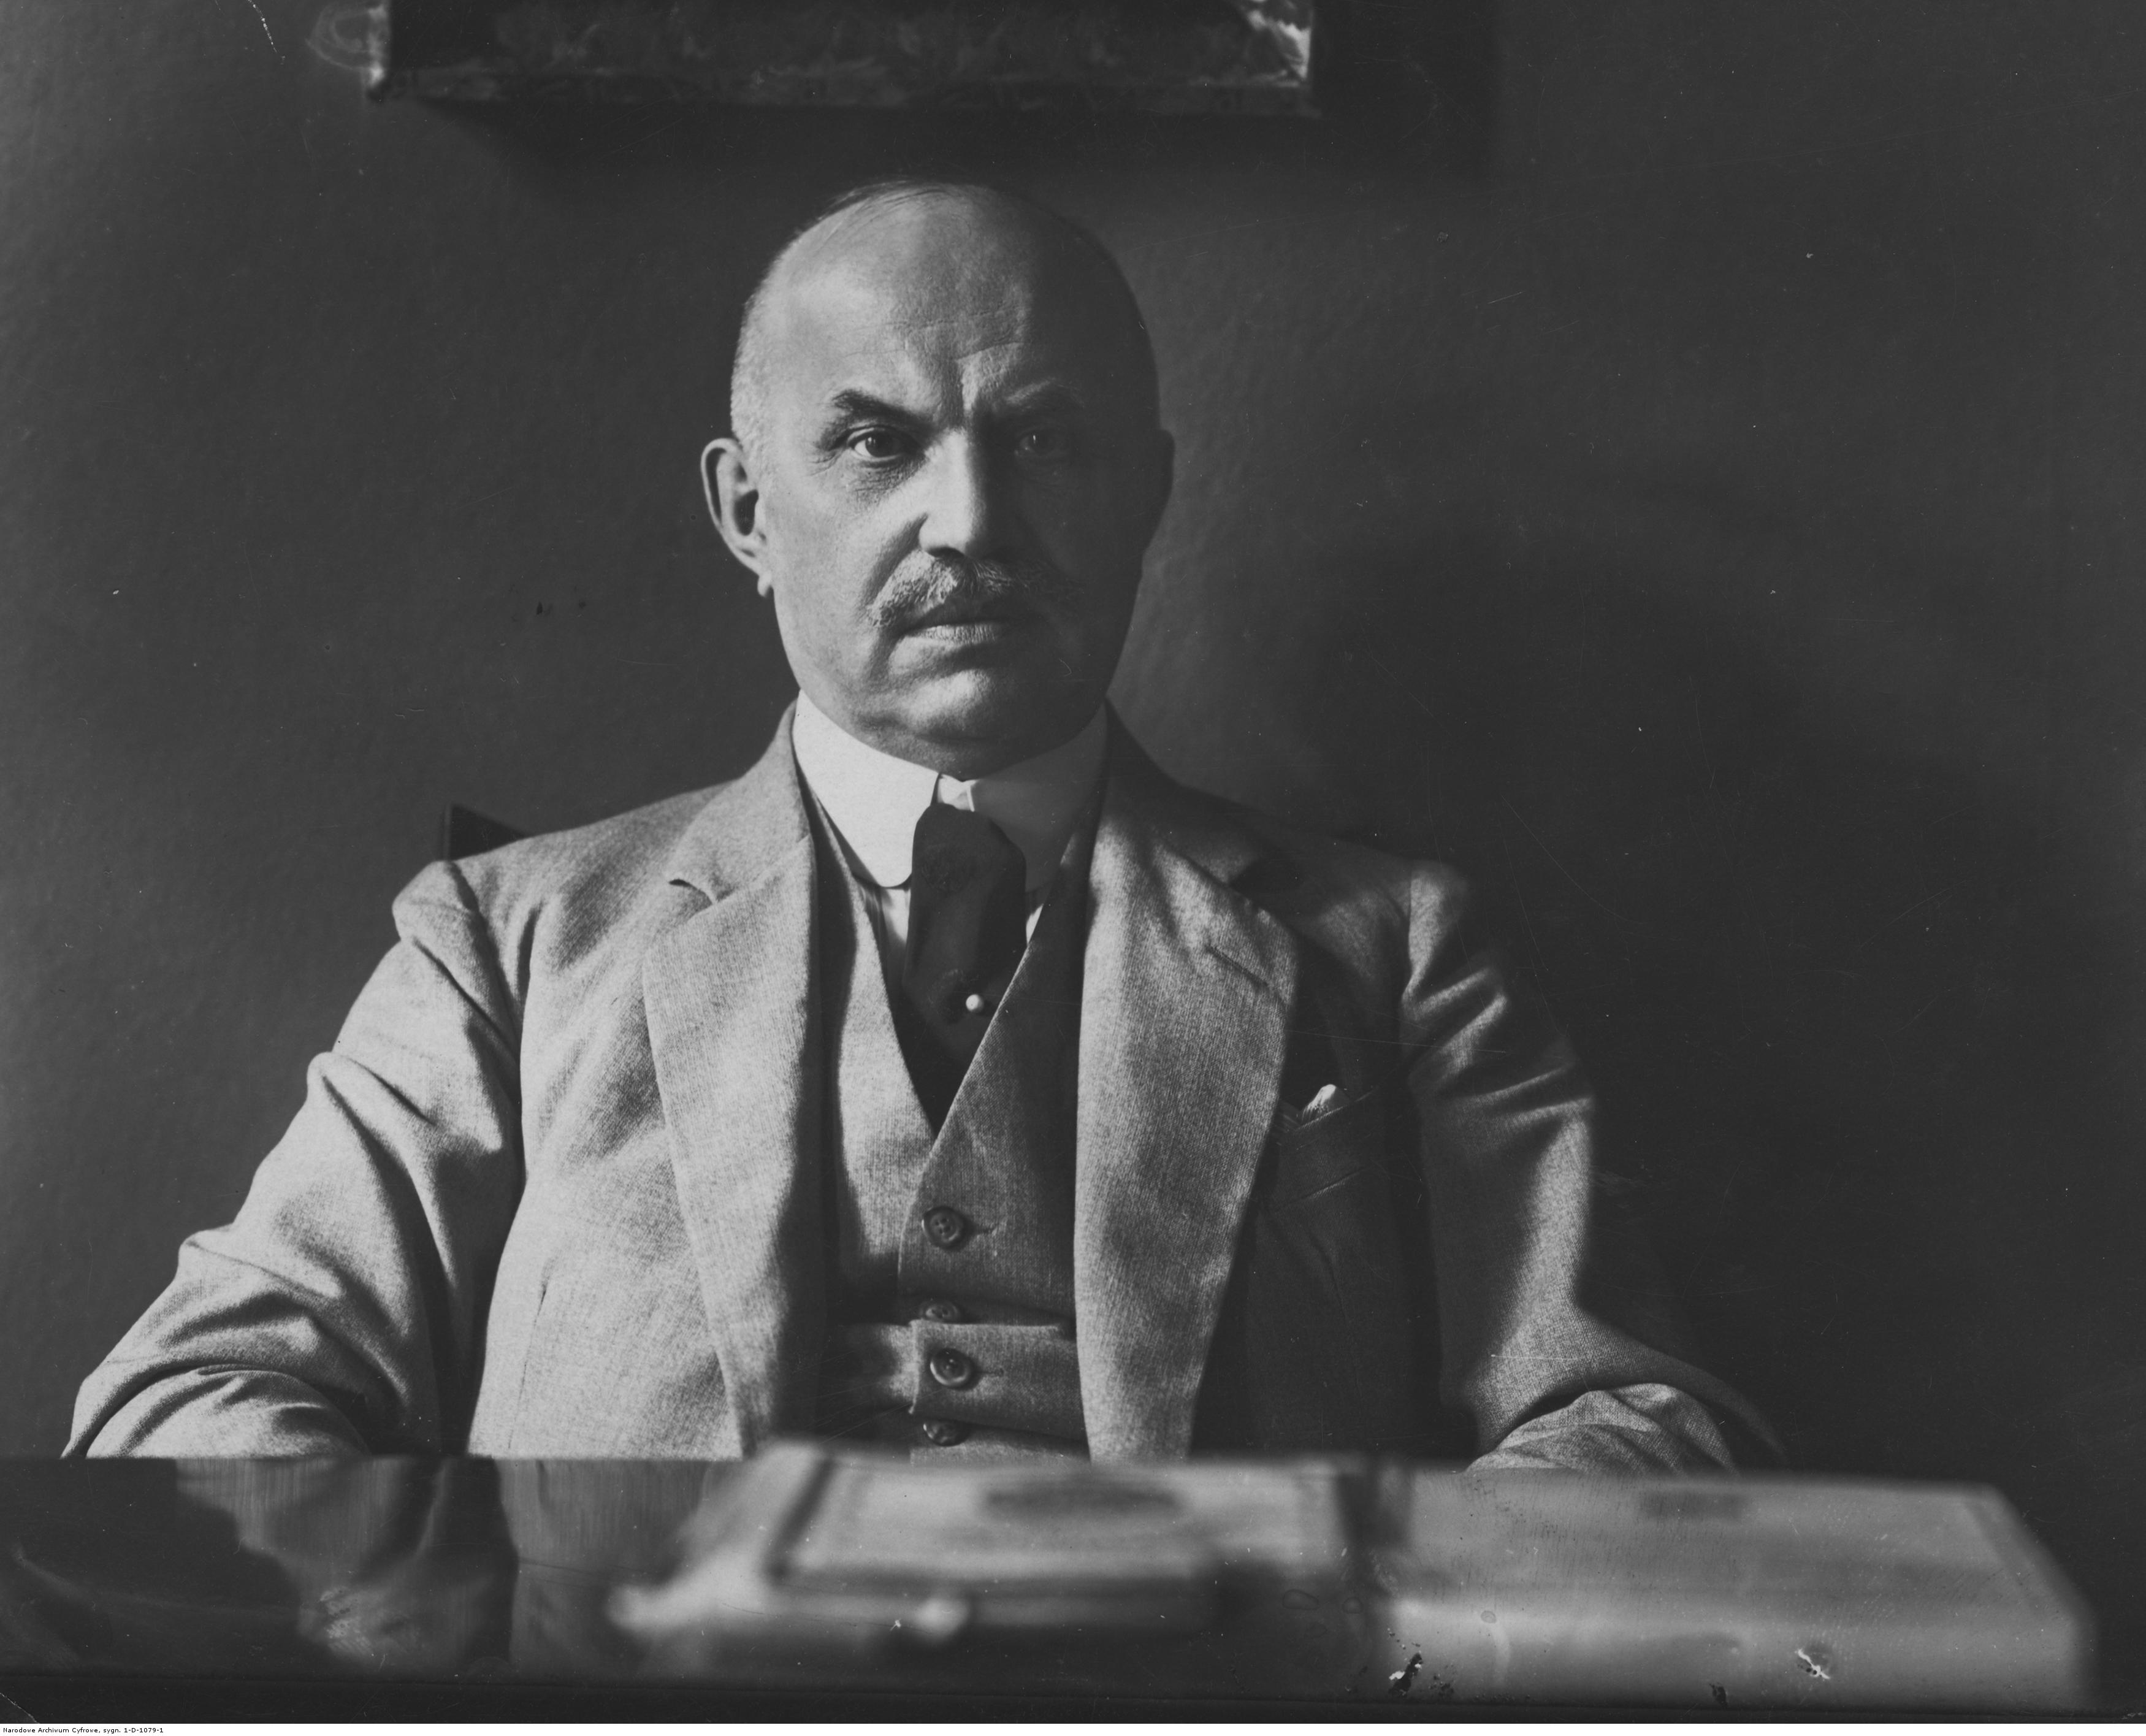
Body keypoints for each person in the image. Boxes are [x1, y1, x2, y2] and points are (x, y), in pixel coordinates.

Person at [70, 180, 1773, 1470]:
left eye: (1041, 442)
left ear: (1148, 494)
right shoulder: (508, 948)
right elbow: (192, 1396)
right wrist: (485, 1657)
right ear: (748, 511)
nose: (970, 522)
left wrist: (1349, 1644)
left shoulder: (1392, 951)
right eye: (878, 447)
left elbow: (1632, 1416)